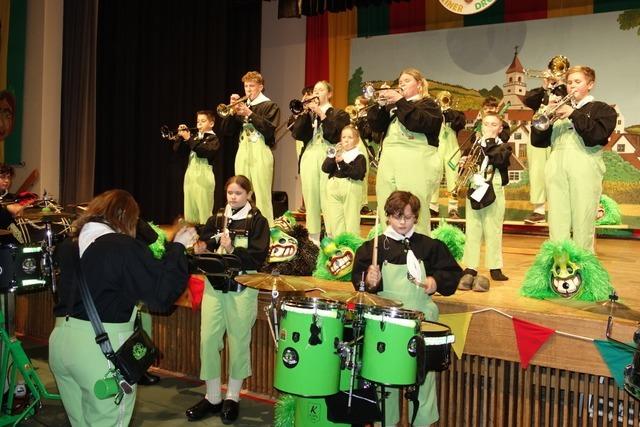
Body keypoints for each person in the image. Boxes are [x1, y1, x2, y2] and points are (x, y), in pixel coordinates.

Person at [49, 189, 192, 427]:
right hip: (100, 348)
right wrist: (178, 248)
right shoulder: (120, 246)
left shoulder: (67, 246)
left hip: (60, 343)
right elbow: (160, 296)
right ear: (126, 217)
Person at [351, 190, 462, 427]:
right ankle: (385, 423)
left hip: (423, 324)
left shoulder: (430, 246)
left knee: (423, 381)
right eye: (397, 216)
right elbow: (361, 285)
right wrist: (370, 281)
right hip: (386, 325)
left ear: (416, 218)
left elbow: (452, 272)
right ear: (388, 216)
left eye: (409, 217)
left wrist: (435, 282)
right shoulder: (374, 247)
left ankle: (422, 422)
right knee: (384, 380)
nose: (403, 222)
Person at [185, 175, 270, 424]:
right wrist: (201, 248)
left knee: (238, 341)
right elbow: (206, 243)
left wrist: (233, 250)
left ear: (249, 195)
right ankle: (212, 397)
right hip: (215, 284)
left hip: (242, 288)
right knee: (208, 340)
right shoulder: (217, 219)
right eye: (230, 193)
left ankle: (233, 397)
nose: (233, 197)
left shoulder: (258, 222)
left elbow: (257, 257)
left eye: (238, 193)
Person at [531, 65, 616, 253]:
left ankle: (584, 273)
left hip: (585, 166)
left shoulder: (602, 109)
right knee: (557, 221)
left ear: (590, 84)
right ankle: (559, 271)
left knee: (583, 221)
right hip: (556, 167)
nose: (572, 86)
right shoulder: (558, 109)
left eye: (578, 82)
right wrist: (547, 112)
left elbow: (597, 136)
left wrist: (573, 113)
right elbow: (537, 141)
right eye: (569, 83)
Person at [367, 68, 443, 235]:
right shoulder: (394, 108)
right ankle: (389, 249)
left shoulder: (429, 105)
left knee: (416, 207)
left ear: (420, 85)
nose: (401, 84)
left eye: (407, 81)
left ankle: (419, 254)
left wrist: (400, 101)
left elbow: (418, 122)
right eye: (400, 82)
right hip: (389, 161)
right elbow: (375, 127)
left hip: (416, 162)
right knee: (385, 205)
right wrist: (380, 106)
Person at [291, 80, 350, 245]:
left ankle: (331, 237)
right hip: (309, 155)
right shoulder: (309, 114)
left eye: (321, 90)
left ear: (329, 94)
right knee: (310, 198)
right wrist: (303, 114)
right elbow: (298, 135)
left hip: (328, 156)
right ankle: (313, 239)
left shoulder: (339, 114)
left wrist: (322, 115)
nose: (316, 93)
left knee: (327, 198)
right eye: (315, 90)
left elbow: (334, 135)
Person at [458, 113, 513, 289]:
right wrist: (463, 163)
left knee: (493, 229)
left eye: (493, 124)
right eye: (486, 124)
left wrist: (489, 141)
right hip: (475, 187)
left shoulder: (504, 146)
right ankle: (471, 267)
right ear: (481, 126)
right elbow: (465, 171)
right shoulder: (473, 147)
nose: (489, 127)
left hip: (494, 189)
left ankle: (495, 267)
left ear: (500, 128)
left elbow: (499, 159)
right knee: (473, 228)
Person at [220, 71, 280, 226]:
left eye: (252, 86)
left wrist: (250, 114)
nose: (248, 89)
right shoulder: (242, 105)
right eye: (246, 86)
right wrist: (232, 112)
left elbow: (269, 130)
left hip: (260, 151)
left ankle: (266, 230)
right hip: (243, 151)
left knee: (261, 194)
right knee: (240, 190)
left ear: (261, 87)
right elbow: (227, 131)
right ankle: (240, 226)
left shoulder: (270, 105)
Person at [522, 65, 568, 224]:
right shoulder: (541, 93)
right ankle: (539, 211)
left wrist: (559, 83)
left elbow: (567, 98)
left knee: (559, 172)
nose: (553, 76)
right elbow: (527, 100)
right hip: (538, 135)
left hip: (560, 132)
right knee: (537, 171)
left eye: (558, 72)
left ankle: (560, 210)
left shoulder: (567, 88)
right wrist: (544, 86)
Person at [175, 110, 220, 224]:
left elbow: (203, 151)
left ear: (211, 124)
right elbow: (177, 150)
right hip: (190, 176)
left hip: (204, 177)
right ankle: (191, 239)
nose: (199, 124)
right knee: (189, 210)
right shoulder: (194, 138)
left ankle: (205, 238)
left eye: (203, 121)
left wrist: (188, 138)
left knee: (204, 211)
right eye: (198, 121)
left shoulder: (213, 138)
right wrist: (180, 137)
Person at [321, 125, 367, 236]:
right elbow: (325, 168)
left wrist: (342, 163)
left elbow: (357, 174)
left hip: (350, 187)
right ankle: (339, 246)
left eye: (350, 137)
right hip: (334, 189)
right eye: (343, 137)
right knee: (336, 221)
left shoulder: (359, 156)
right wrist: (332, 155)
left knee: (351, 221)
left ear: (356, 140)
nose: (346, 140)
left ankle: (352, 248)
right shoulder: (338, 153)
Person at [429, 91, 466, 219]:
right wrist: (438, 111)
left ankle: (453, 208)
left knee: (453, 178)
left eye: (447, 99)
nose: (444, 101)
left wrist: (447, 111)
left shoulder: (456, 114)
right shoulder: (432, 113)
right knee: (434, 176)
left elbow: (459, 124)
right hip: (436, 147)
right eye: (442, 99)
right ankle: (433, 206)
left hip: (452, 148)